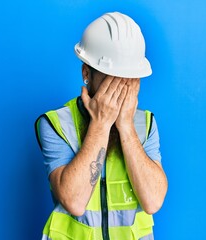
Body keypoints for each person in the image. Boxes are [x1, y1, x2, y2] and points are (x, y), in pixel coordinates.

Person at [35, 11, 168, 240]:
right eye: (113, 78)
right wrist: (101, 123)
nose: (121, 88)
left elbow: (153, 200)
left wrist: (125, 125)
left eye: (130, 78)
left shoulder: (145, 124)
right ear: (87, 73)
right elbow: (74, 202)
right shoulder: (56, 124)